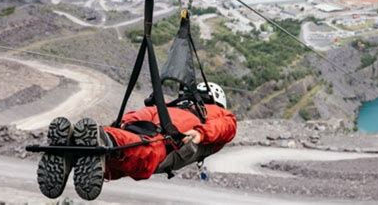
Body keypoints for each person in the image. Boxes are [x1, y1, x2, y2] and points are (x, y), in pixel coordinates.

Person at [36, 82, 237, 201]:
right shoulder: (216, 113)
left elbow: (135, 116)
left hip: (156, 125)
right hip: (167, 140)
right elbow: (228, 126)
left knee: (126, 146)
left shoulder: (171, 105)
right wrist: (201, 133)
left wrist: (120, 125)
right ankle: (101, 143)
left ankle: (78, 148)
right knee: (144, 153)